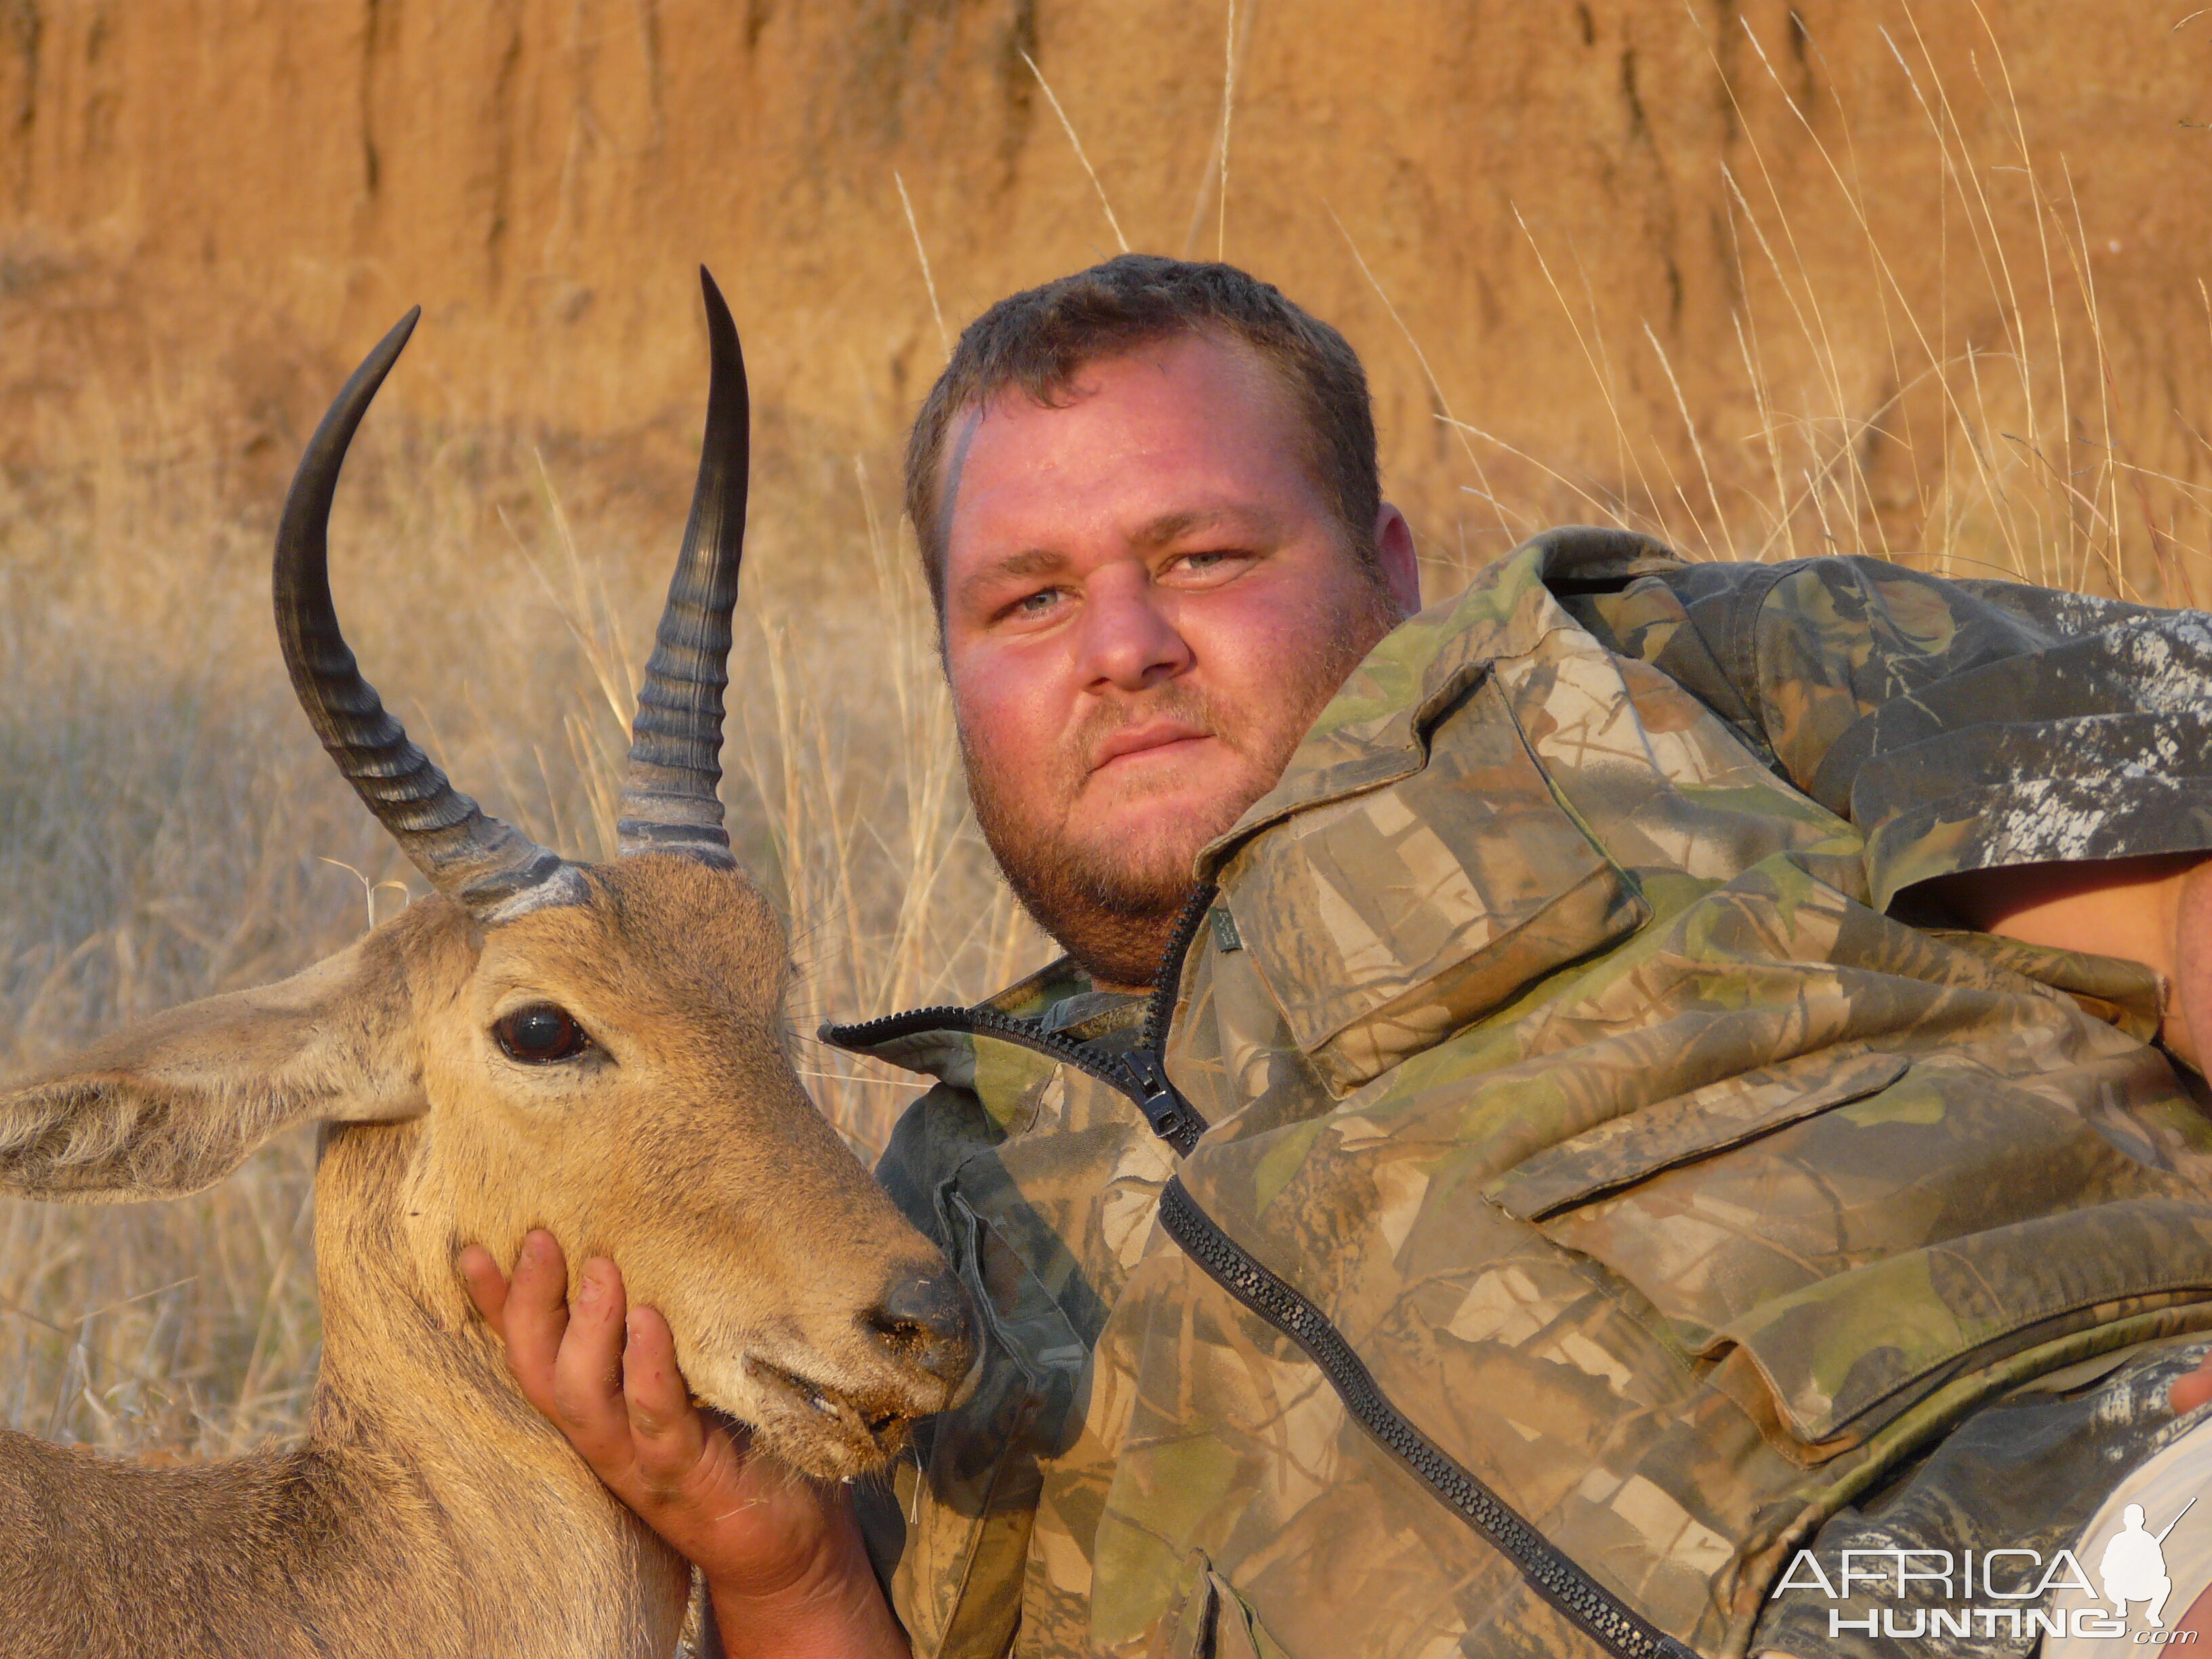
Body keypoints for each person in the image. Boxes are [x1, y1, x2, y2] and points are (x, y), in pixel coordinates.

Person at [459, 255, 2212, 1658]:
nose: (1124, 649)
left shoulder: (1629, 673)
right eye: (1029, 602)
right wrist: (783, 1580)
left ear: (1389, 570)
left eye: (1201, 556)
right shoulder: (932, 1238)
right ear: (953, 676)